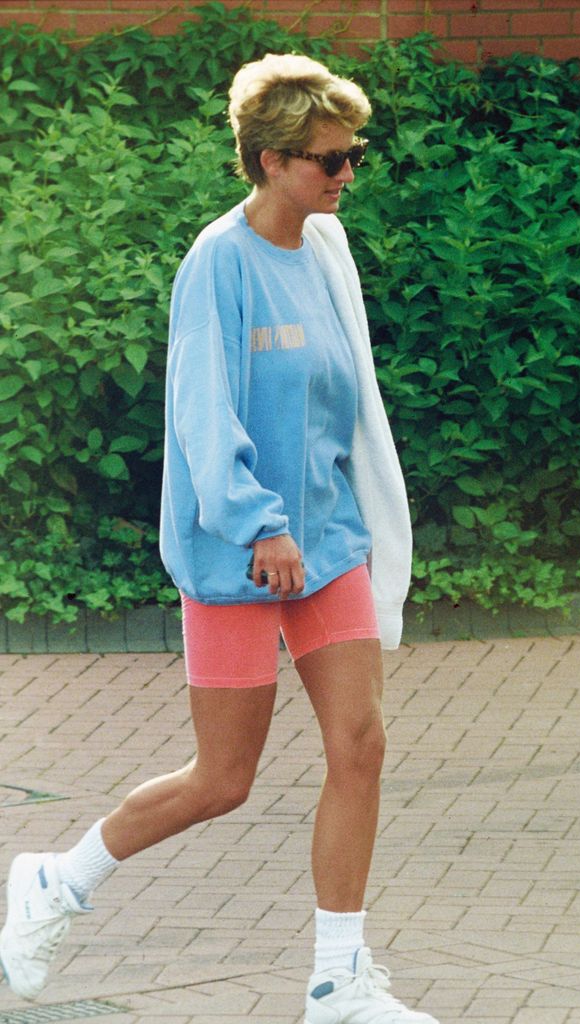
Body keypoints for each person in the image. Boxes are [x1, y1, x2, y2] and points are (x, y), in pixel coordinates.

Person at [0, 53, 439, 1023]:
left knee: (359, 743)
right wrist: (257, 525)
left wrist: (327, 528)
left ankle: (337, 981)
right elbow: (205, 419)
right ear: (272, 161)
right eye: (330, 159)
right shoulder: (218, 265)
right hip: (238, 556)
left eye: (353, 153)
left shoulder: (327, 254)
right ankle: (54, 881)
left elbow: (346, 407)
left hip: (326, 546)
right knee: (223, 778)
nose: (347, 174)